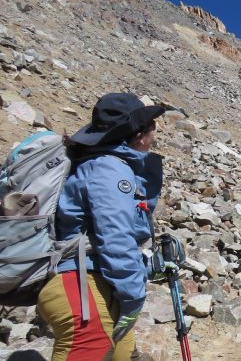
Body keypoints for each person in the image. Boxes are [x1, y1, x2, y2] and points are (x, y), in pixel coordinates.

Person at [37, 93, 165, 361]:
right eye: (153, 127)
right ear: (140, 136)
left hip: (99, 284)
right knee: (91, 344)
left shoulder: (102, 164)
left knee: (122, 353)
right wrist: (134, 296)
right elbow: (115, 238)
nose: (156, 134)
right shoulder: (109, 169)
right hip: (80, 284)